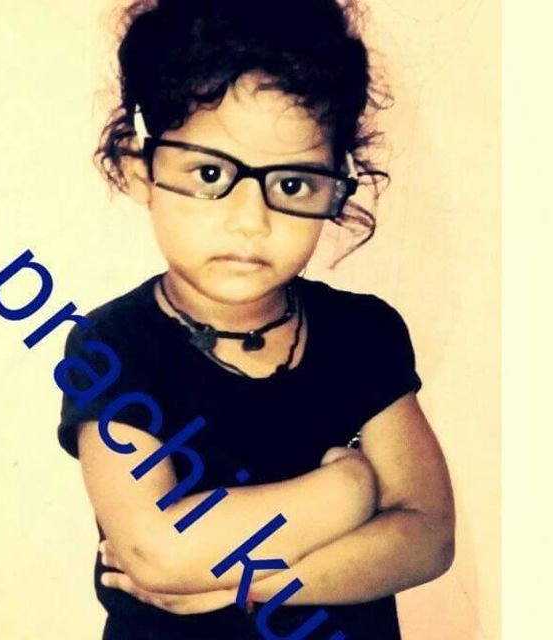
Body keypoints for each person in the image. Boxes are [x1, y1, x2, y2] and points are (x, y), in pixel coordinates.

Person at [55, 1, 456, 638]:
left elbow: (428, 537)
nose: (251, 221)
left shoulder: (362, 334)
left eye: (292, 184)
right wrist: (345, 492)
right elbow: (156, 552)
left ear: (336, 184)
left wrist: (252, 585)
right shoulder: (114, 345)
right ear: (139, 168)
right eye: (210, 173)